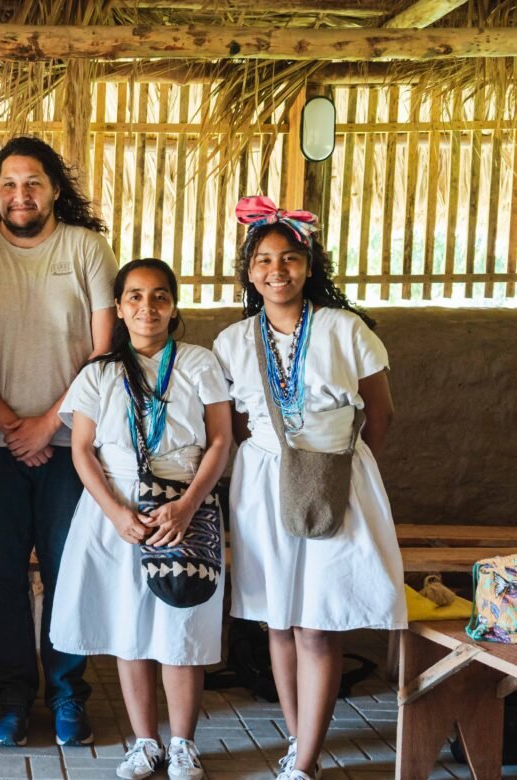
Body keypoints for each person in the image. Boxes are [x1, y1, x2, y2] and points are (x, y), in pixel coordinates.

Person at [212, 196, 406, 780]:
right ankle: (299, 744)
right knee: (277, 618)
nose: (278, 270)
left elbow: (380, 413)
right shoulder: (232, 342)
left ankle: (307, 757)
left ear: (309, 265)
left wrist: (340, 465)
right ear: (249, 272)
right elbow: (239, 425)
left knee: (317, 621)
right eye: (264, 260)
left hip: (335, 477)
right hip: (264, 483)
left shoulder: (347, 331)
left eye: (290, 258)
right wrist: (279, 457)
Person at [0, 136, 117, 747]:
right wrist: (14, 427)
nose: (21, 195)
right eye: (9, 185)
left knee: (69, 570)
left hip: (73, 446)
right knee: (0, 576)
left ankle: (67, 693)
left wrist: (49, 424)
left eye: (33, 183)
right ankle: (11, 696)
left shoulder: (86, 248)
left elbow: (104, 349)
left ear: (55, 189)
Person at [50, 259, 231, 779]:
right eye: (134, 296)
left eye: (158, 296)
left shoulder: (199, 362)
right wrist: (115, 512)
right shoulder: (99, 372)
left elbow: (221, 439)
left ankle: (183, 745)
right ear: (119, 306)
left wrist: (189, 504)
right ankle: (146, 742)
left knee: (181, 623)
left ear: (173, 306)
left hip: (184, 505)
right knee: (128, 623)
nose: (146, 307)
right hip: (117, 507)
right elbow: (82, 450)